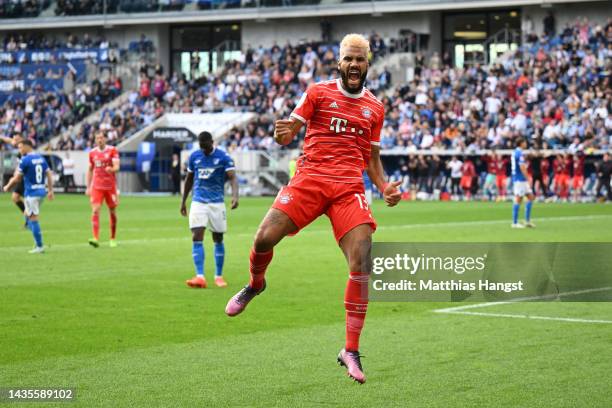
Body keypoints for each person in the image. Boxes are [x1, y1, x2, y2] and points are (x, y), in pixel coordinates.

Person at [224, 33, 401, 384]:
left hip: (348, 188)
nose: (354, 65)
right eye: (348, 59)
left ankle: (350, 349)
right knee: (263, 239)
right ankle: (256, 284)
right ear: (339, 62)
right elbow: (289, 129)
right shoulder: (318, 92)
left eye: (360, 60)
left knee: (362, 260)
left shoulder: (375, 108)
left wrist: (384, 187)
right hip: (310, 180)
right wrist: (284, 134)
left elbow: (372, 158)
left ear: (368, 63)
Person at [181, 132, 239, 289]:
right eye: (201, 147)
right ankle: (200, 277)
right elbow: (189, 179)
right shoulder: (194, 157)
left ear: (211, 142)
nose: (204, 150)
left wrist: (235, 196)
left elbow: (233, 177)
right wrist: (183, 201)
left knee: (218, 238)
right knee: (196, 236)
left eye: (206, 146)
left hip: (217, 203)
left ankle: (218, 276)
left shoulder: (223, 157)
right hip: (198, 201)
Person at [3, 140, 54, 253]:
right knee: (27, 214)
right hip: (41, 192)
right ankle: (37, 240)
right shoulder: (41, 158)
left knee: (33, 219)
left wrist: (7, 186)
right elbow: (49, 174)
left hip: (31, 193)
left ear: (27, 146)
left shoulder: (25, 160)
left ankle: (39, 246)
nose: (20, 150)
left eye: (21, 147)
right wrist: (50, 190)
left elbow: (17, 178)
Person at [86, 131, 120, 248]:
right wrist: (88, 186)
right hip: (97, 186)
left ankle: (113, 238)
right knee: (95, 210)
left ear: (105, 139)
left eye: (101, 138)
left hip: (110, 187)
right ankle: (95, 238)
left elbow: (117, 166)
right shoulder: (92, 153)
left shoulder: (112, 150)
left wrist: (112, 169)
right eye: (97, 138)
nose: (99, 140)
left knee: (112, 211)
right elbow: (90, 169)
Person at [1, 133, 28, 228]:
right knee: (15, 197)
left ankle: (29, 221)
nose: (14, 142)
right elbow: (9, 140)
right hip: (21, 178)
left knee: (27, 201)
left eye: (16, 139)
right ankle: (28, 217)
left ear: (21, 139)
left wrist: (15, 176)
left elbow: (23, 167)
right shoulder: (18, 145)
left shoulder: (25, 151)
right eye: (14, 139)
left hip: (26, 178)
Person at [511, 139, 535, 228]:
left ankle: (527, 221)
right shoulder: (519, 153)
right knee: (518, 199)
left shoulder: (516, 152)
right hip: (520, 179)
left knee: (531, 197)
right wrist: (528, 178)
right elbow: (522, 167)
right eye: (525, 142)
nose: (526, 143)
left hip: (520, 179)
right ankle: (514, 222)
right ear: (521, 143)